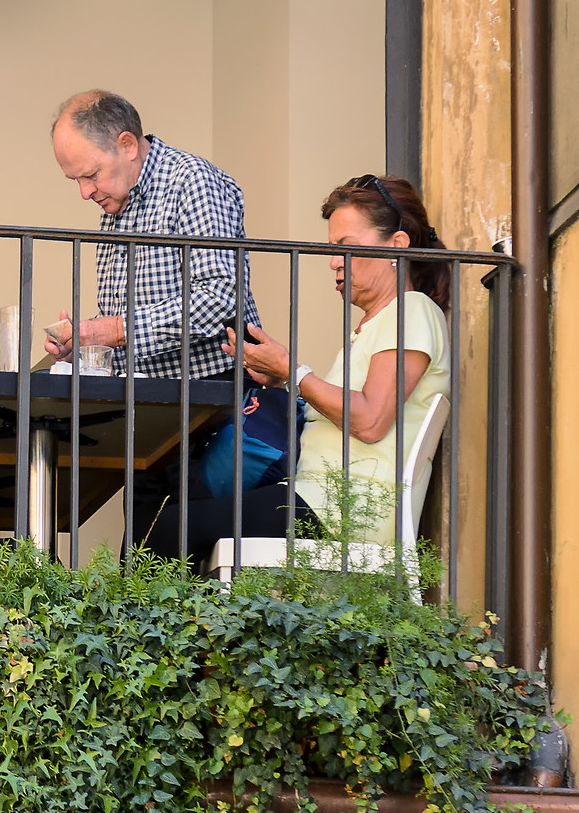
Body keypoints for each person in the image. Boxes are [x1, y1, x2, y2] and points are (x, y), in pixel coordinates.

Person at [135, 175, 452, 564]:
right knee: (185, 505)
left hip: (344, 511)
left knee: (175, 526)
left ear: (397, 247)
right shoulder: (380, 322)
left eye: (346, 248)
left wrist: (295, 371)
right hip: (322, 501)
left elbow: (370, 420)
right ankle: (198, 623)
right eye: (332, 250)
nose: (335, 262)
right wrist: (285, 377)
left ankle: (165, 624)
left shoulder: (412, 310)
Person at [41, 90, 259, 380]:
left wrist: (116, 330)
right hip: (149, 393)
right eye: (76, 180)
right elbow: (126, 314)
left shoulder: (191, 180)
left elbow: (221, 299)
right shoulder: (117, 201)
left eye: (92, 175)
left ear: (128, 145)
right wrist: (84, 343)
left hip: (212, 391)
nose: (85, 192)